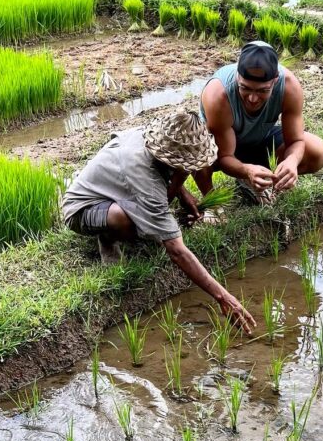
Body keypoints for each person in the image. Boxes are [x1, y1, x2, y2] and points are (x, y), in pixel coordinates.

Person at [61, 107, 255, 334]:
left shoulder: (153, 135)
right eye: (184, 167)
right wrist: (224, 297)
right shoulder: (142, 172)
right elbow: (177, 251)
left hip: (114, 189)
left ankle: (136, 224)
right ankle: (108, 240)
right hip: (82, 210)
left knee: (154, 219)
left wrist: (183, 192)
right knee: (123, 220)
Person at [196, 41, 323, 203]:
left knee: (317, 152)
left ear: (275, 80)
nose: (252, 98)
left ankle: (265, 180)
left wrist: (291, 161)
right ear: (238, 76)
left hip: (259, 140)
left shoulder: (289, 87)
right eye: (245, 88)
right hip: (219, 150)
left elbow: (296, 140)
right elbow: (225, 156)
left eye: (262, 91)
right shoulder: (218, 94)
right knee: (196, 153)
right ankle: (212, 202)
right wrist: (246, 171)